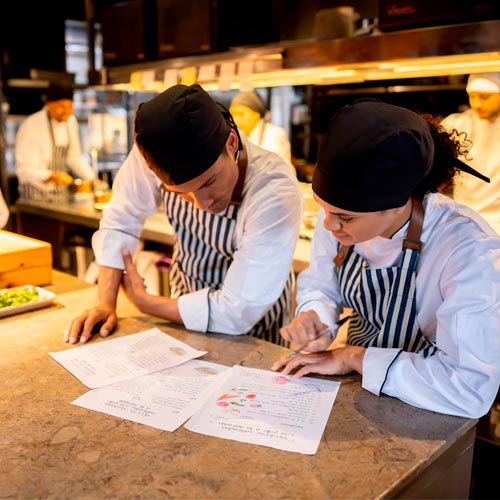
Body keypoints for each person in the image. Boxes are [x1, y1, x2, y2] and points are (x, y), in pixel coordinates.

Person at [272, 99, 500, 418]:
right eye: (323, 208)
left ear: (396, 206)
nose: (328, 225)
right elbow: (322, 284)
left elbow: (469, 389)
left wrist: (354, 358)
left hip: (430, 407)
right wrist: (314, 318)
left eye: (343, 217)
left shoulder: (466, 249)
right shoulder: (340, 222)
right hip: (357, 391)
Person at [65, 84, 303, 346]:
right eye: (181, 194)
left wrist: (146, 303)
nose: (200, 205)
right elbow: (121, 220)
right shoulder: (155, 150)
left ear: (231, 143)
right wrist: (105, 302)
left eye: (208, 183)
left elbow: (237, 312)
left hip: (255, 334)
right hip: (183, 317)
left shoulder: (274, 188)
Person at [15, 81, 95, 203]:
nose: (68, 112)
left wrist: (92, 178)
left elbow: (74, 157)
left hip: (61, 197)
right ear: (49, 104)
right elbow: (24, 169)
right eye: (62, 107)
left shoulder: (70, 122)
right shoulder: (31, 125)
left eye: (70, 107)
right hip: (35, 198)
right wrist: (51, 176)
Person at [441, 72, 500, 234]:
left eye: (484, 97)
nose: (477, 103)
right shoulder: (455, 124)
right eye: (472, 96)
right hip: (462, 219)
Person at [229, 91, 292, 165]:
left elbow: (275, 166)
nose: (236, 120)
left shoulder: (274, 134)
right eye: (232, 114)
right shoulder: (235, 135)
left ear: (256, 115)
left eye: (241, 114)